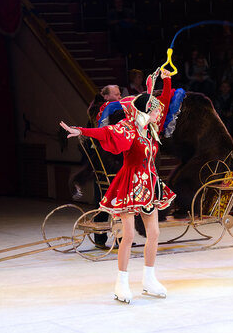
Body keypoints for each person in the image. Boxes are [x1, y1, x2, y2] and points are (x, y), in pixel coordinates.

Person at [59, 69, 176, 304]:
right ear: (144, 111)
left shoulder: (150, 130)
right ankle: (121, 283)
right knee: (128, 234)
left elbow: (162, 102)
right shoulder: (129, 128)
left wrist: (166, 80)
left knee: (154, 233)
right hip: (130, 184)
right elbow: (105, 132)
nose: (158, 113)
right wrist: (81, 131)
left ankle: (149, 279)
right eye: (153, 110)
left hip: (149, 185)